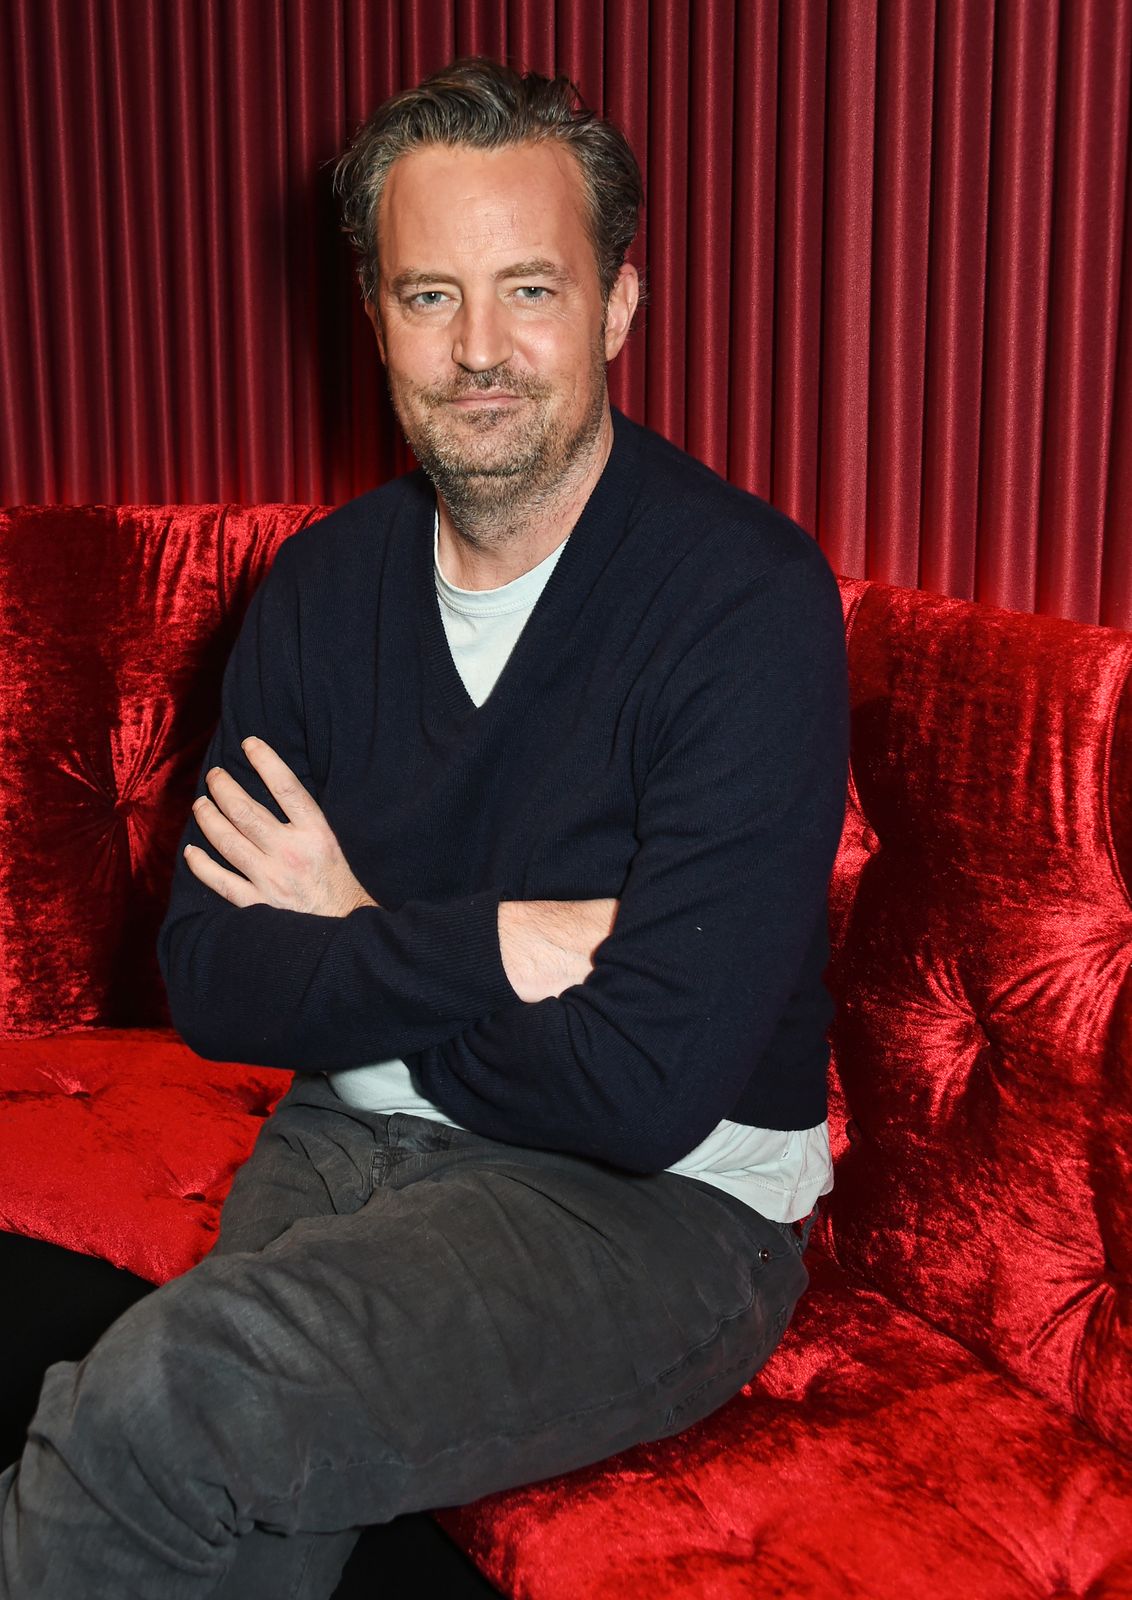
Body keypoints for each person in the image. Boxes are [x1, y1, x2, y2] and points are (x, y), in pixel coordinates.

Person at [0, 57, 849, 1600]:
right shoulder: (321, 592)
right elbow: (216, 984)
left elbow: (646, 1093)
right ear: (375, 317)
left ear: (618, 308)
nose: (479, 352)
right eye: (427, 295)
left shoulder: (745, 604)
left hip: (664, 1212)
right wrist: (499, 943)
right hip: (353, 1129)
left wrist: (351, 928)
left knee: (173, 1395)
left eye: (530, 289)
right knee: (232, 1508)